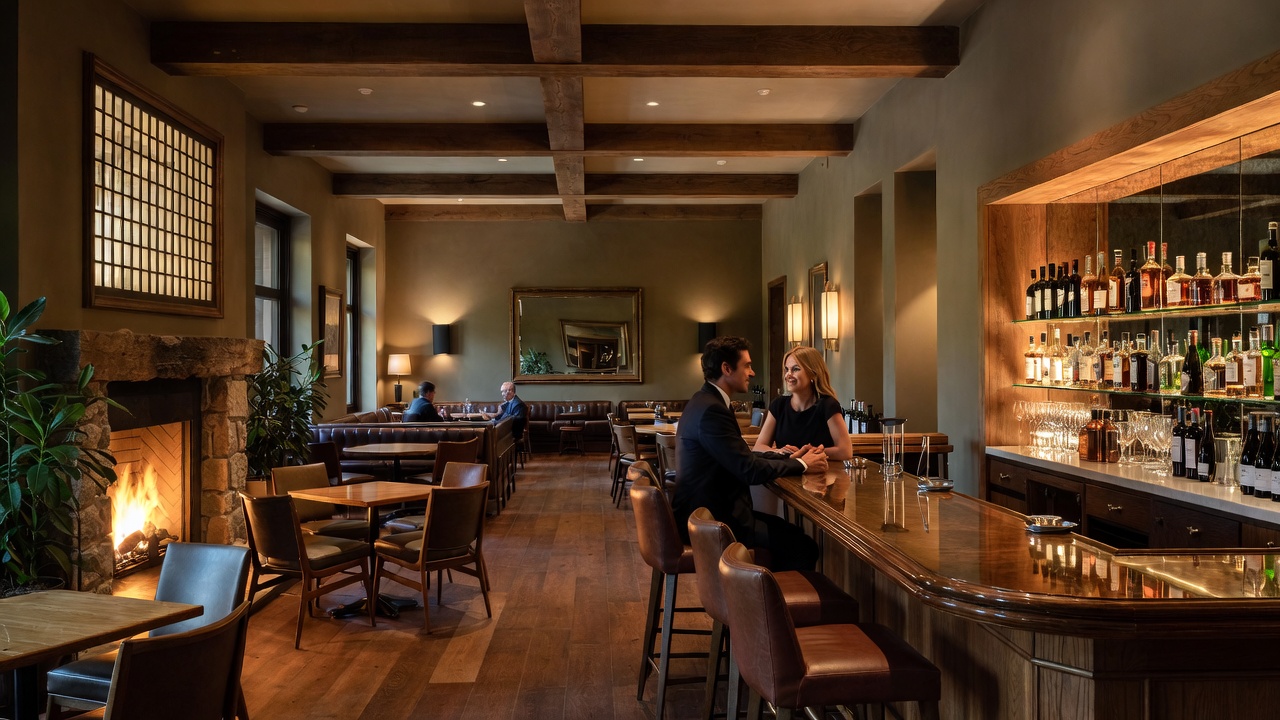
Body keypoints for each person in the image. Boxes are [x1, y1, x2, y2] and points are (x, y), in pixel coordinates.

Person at [672, 336, 827, 571]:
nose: (752, 373)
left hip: (708, 515)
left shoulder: (705, 401)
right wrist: (803, 465)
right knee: (803, 546)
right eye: (747, 365)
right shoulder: (713, 410)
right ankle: (771, 606)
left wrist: (788, 457)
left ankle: (764, 601)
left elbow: (742, 456)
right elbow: (749, 470)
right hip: (713, 522)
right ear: (726, 368)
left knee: (792, 536)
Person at [753, 346, 854, 461]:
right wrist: (779, 452)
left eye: (795, 369)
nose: (788, 375)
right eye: (787, 369)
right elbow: (758, 447)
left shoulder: (828, 405)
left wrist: (804, 454)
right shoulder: (778, 405)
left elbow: (845, 451)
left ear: (813, 373)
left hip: (820, 476)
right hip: (785, 474)